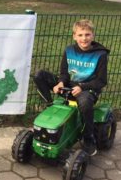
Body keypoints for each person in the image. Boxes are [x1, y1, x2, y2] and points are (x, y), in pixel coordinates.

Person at [34, 19, 110, 156]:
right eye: (80, 35)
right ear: (74, 36)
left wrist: (82, 86)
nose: (84, 38)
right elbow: (64, 73)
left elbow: (101, 81)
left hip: (88, 89)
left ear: (93, 35)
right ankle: (50, 105)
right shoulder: (69, 50)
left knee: (86, 103)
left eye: (87, 34)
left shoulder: (101, 54)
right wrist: (61, 83)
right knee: (39, 75)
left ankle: (88, 138)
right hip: (69, 86)